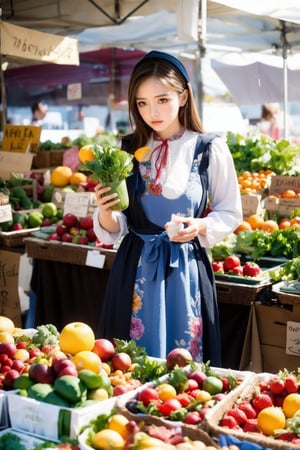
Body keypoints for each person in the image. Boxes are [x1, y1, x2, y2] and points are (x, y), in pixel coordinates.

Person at [93, 50, 242, 366]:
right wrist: (105, 212)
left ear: (184, 96)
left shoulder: (208, 149)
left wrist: (199, 226)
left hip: (185, 268)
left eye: (162, 100)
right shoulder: (126, 149)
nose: (152, 112)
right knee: (126, 365)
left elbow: (230, 211)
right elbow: (119, 223)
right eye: (142, 103)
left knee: (184, 366)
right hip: (134, 267)